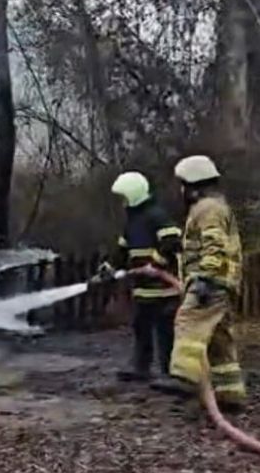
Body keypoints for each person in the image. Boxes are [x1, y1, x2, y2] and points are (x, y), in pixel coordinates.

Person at [151, 155, 247, 410]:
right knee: (219, 340)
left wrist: (205, 279)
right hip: (222, 282)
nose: (181, 191)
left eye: (183, 185)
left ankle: (184, 378)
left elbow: (214, 244)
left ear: (193, 185)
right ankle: (231, 393)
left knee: (188, 322)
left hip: (210, 281)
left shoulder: (207, 209)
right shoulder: (215, 207)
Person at [92, 171, 182, 382]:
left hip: (163, 288)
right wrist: (108, 267)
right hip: (142, 289)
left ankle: (170, 373)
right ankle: (141, 368)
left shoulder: (157, 216)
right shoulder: (132, 222)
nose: (121, 202)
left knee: (165, 332)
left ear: (133, 194)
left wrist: (157, 263)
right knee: (141, 328)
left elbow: (172, 242)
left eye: (123, 196)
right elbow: (121, 252)